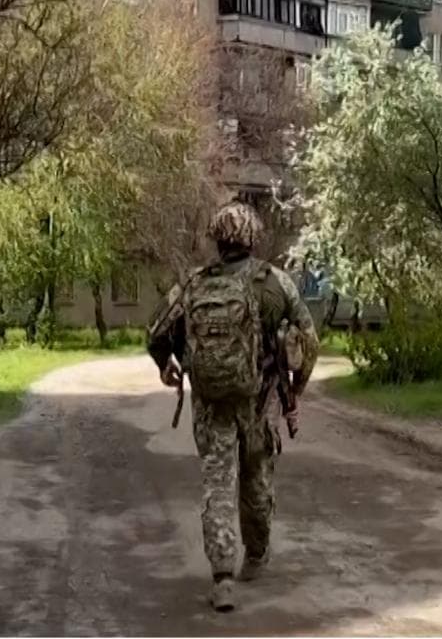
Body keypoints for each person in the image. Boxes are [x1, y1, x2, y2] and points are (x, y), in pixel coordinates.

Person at [146, 201, 319, 612]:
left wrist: (166, 366)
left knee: (218, 483)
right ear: (253, 237)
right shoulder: (276, 283)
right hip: (260, 400)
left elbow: (156, 331)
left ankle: (222, 577)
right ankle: (255, 556)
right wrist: (296, 389)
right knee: (256, 478)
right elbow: (309, 341)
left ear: (217, 239)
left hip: (211, 403)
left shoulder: (194, 283)